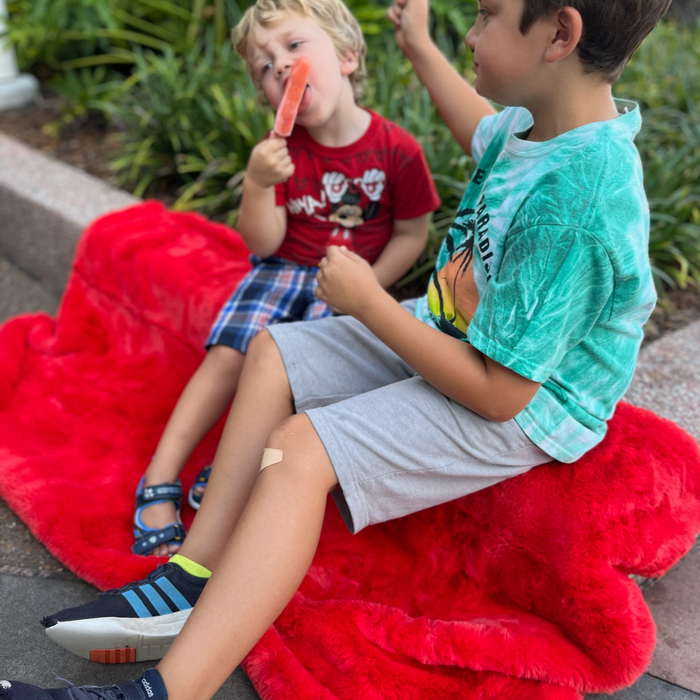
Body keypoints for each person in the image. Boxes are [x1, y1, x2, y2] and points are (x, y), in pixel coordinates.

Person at [3, 0, 671, 696]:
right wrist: (416, 45)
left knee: (299, 450)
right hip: (458, 334)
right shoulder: (542, 125)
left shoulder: (583, 205)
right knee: (273, 351)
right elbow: (485, 132)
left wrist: (372, 305)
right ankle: (190, 579)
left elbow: (501, 395)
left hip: (529, 399)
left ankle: (170, 690)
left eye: (486, 17)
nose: (470, 35)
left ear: (559, 35)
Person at [131, 0, 440, 558]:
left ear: (346, 57)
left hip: (350, 283)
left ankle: (234, 473)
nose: (279, 67)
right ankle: (160, 472)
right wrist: (256, 183)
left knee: (300, 386)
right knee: (229, 358)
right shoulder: (278, 152)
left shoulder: (398, 151)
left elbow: (413, 233)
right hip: (281, 269)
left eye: (294, 47)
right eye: (263, 66)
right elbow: (262, 242)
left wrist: (367, 286)